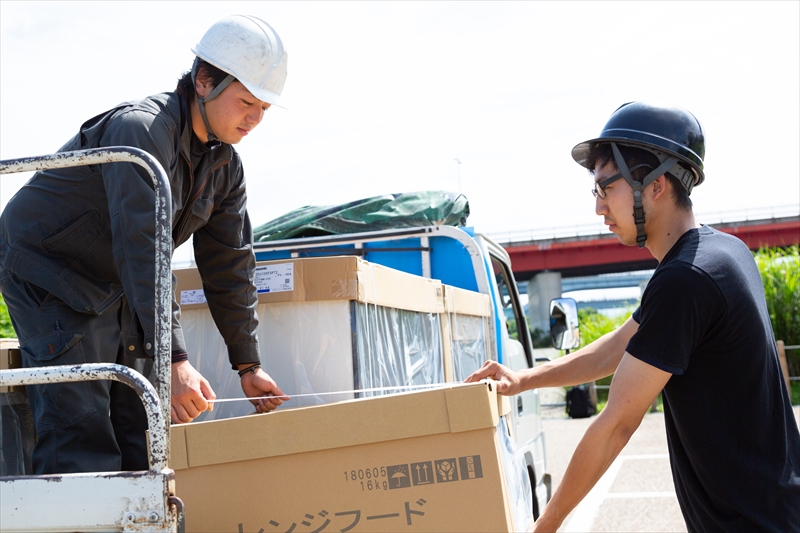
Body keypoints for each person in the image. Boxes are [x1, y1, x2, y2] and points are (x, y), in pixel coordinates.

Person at [467, 102, 800, 531]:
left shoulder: (686, 279)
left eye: (607, 188)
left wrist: (545, 525)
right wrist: (523, 380)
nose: (599, 207)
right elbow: (621, 347)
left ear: (656, 185)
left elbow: (616, 425)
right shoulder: (720, 252)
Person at [0, 15, 289, 474]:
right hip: (49, 270)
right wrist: (175, 359)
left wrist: (247, 365)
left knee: (144, 423)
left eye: (264, 109)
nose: (254, 119)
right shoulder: (141, 130)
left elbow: (229, 265)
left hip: (114, 276)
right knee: (82, 429)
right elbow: (143, 246)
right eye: (246, 102)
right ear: (204, 81)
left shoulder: (224, 167)